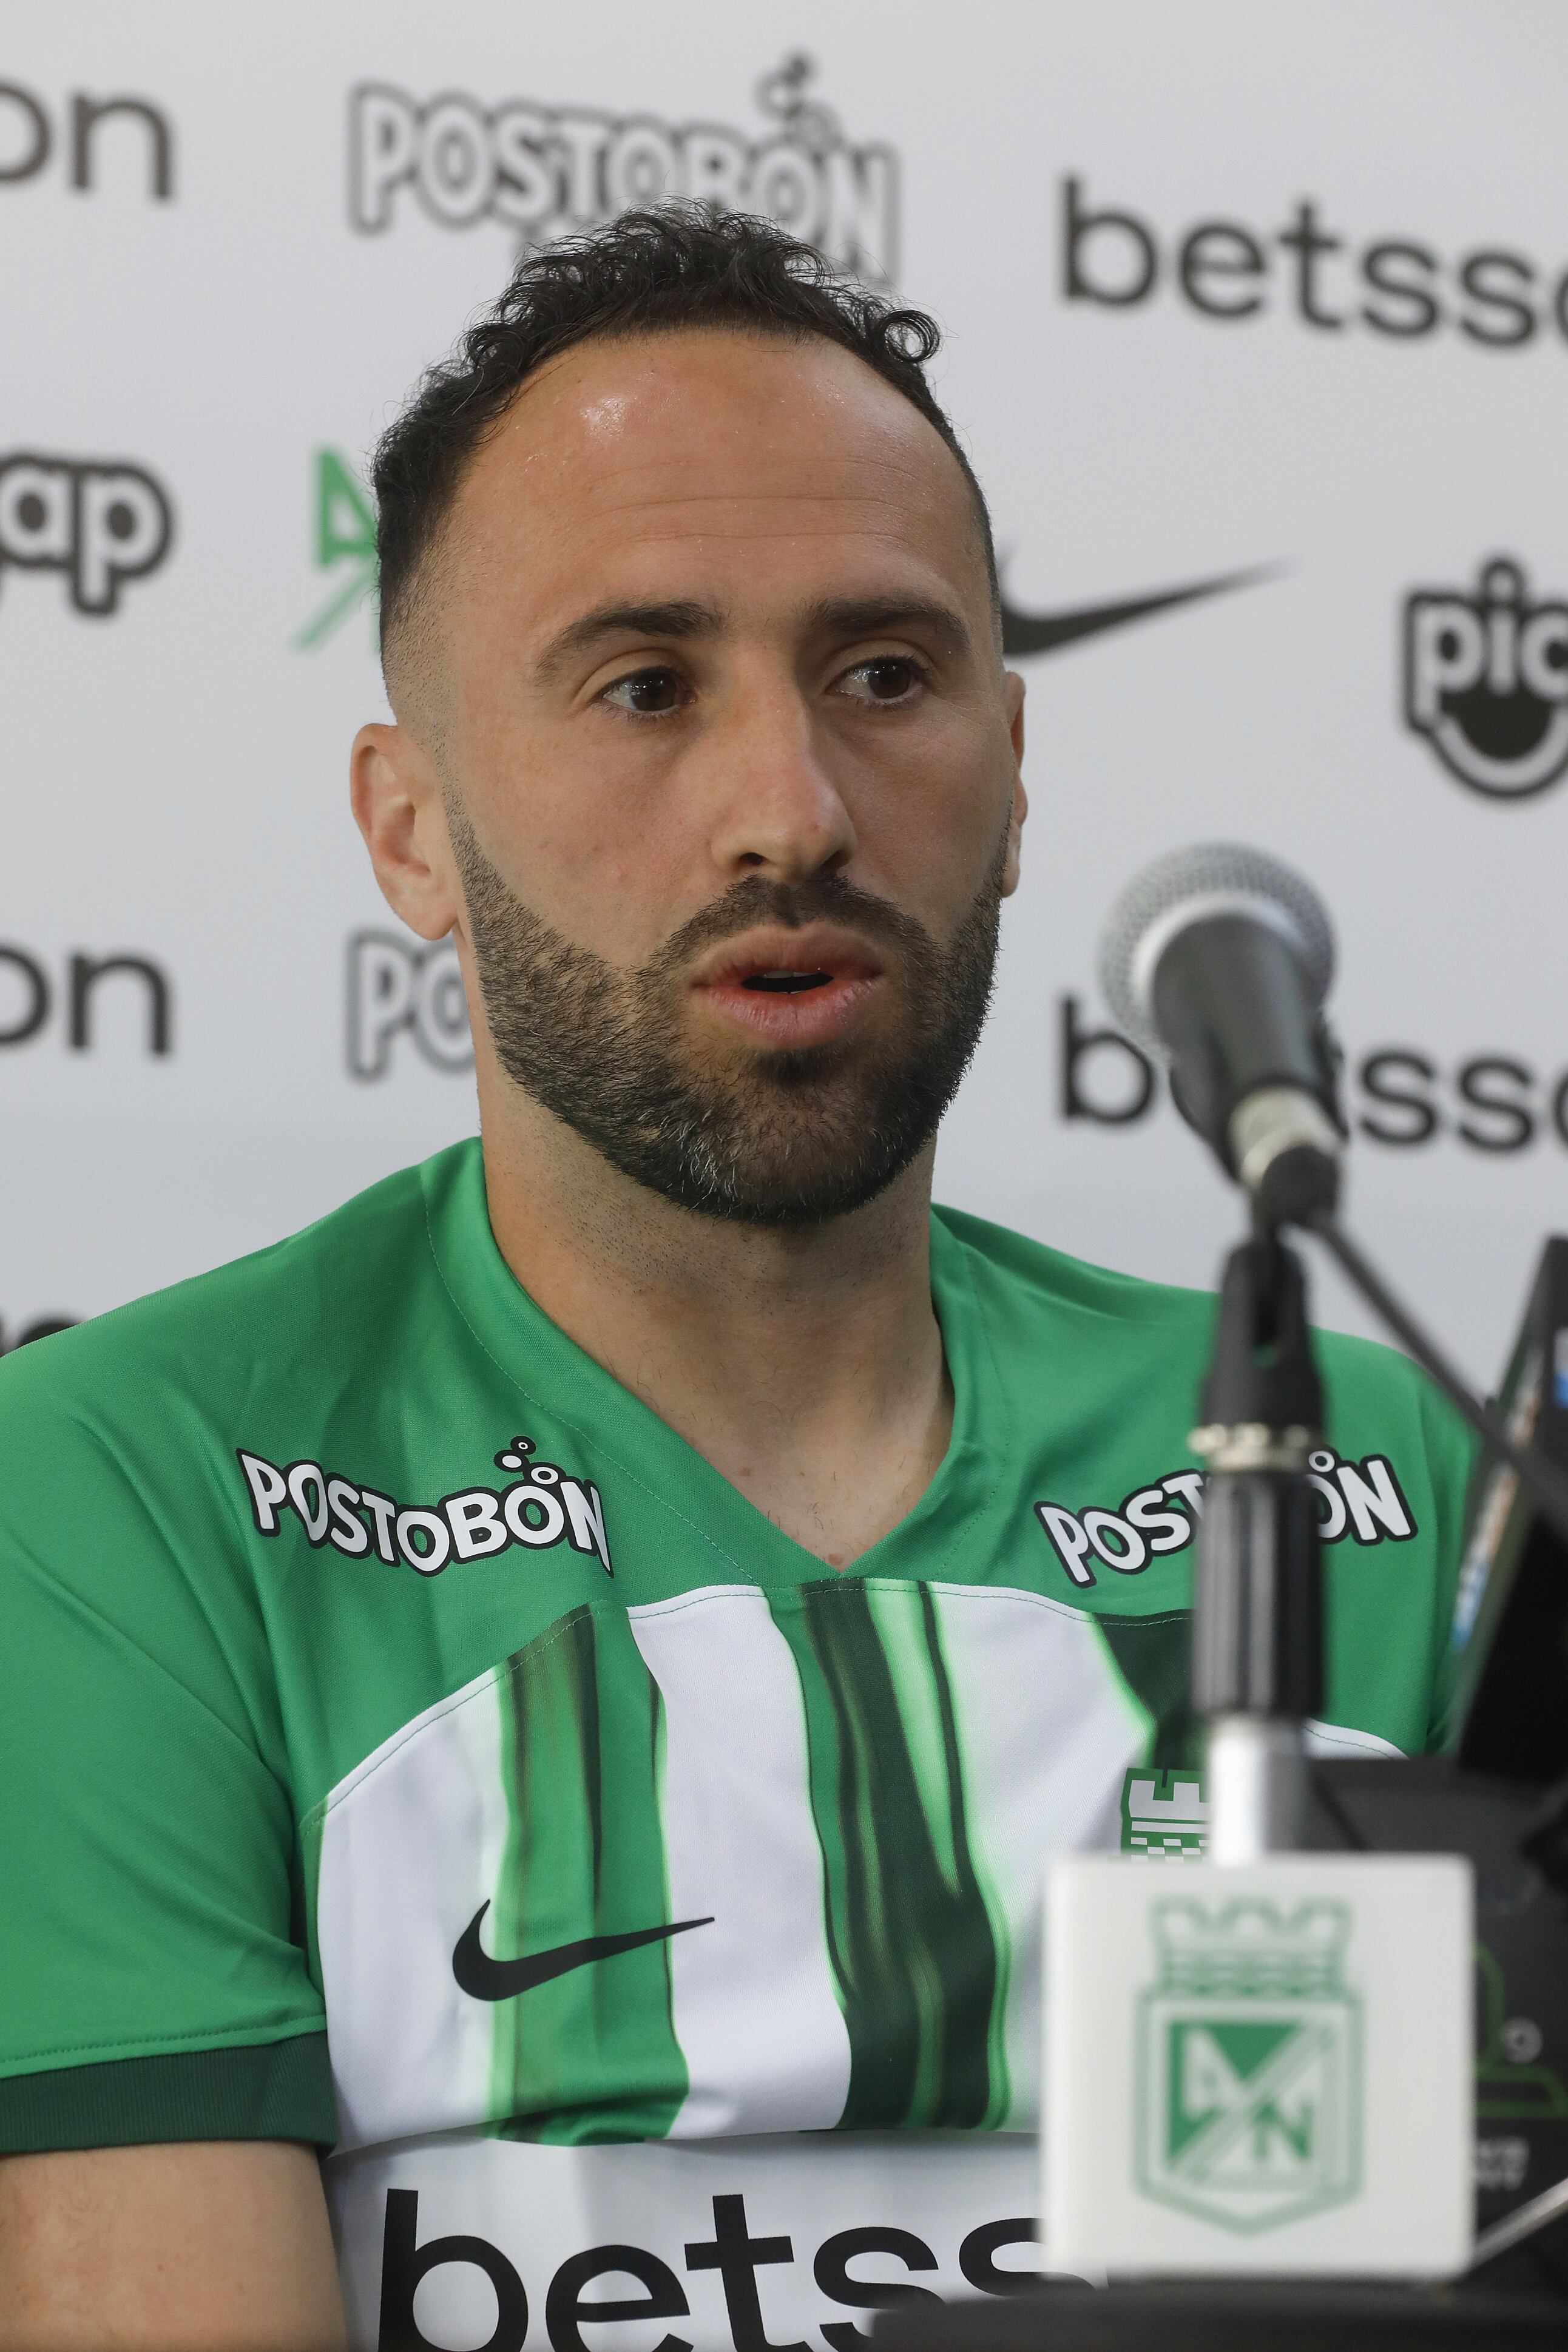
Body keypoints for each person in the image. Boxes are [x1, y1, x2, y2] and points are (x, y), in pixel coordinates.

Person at [0, 208, 1472, 2351]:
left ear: (1018, 770)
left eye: (886, 673)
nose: (790, 807)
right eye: (644, 685)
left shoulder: (1379, 1465)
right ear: (410, 831)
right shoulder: (117, 1493)